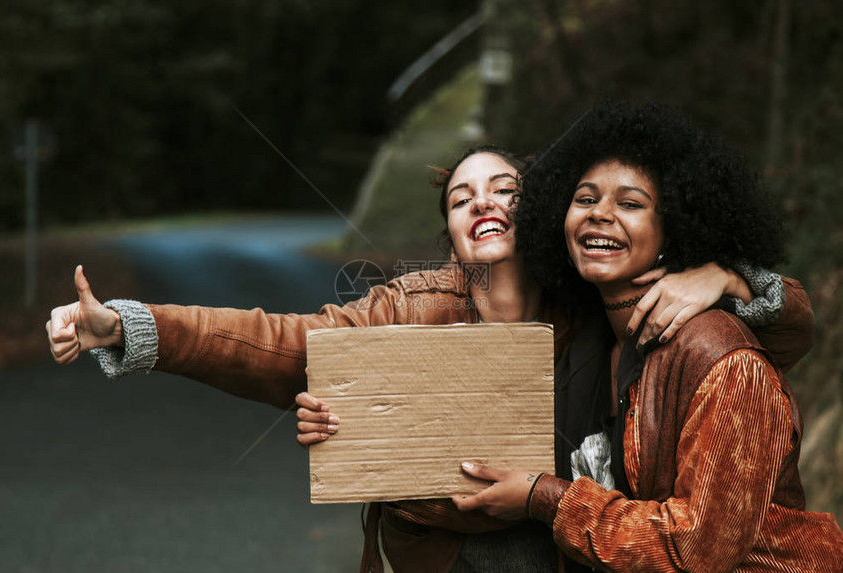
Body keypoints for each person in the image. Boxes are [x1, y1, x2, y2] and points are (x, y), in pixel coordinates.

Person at [48, 145, 812, 573]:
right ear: (450, 234)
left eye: (506, 188)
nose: (484, 202)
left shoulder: (593, 296)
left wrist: (731, 276)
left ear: (538, 209)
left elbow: (774, 335)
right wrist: (125, 326)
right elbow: (275, 342)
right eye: (461, 197)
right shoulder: (405, 305)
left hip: (587, 553)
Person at [450, 102, 843, 571]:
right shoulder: (584, 333)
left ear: (674, 226)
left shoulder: (723, 359)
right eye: (585, 198)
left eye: (631, 203)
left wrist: (546, 498)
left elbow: (696, 549)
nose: (601, 214)